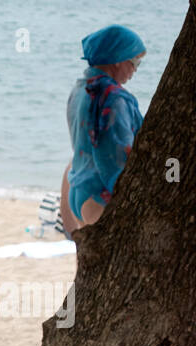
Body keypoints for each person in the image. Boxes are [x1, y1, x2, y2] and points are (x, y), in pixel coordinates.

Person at [60, 25, 146, 231]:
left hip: (78, 188)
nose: (135, 69)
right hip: (100, 194)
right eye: (134, 62)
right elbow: (116, 159)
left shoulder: (80, 88)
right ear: (118, 59)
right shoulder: (113, 98)